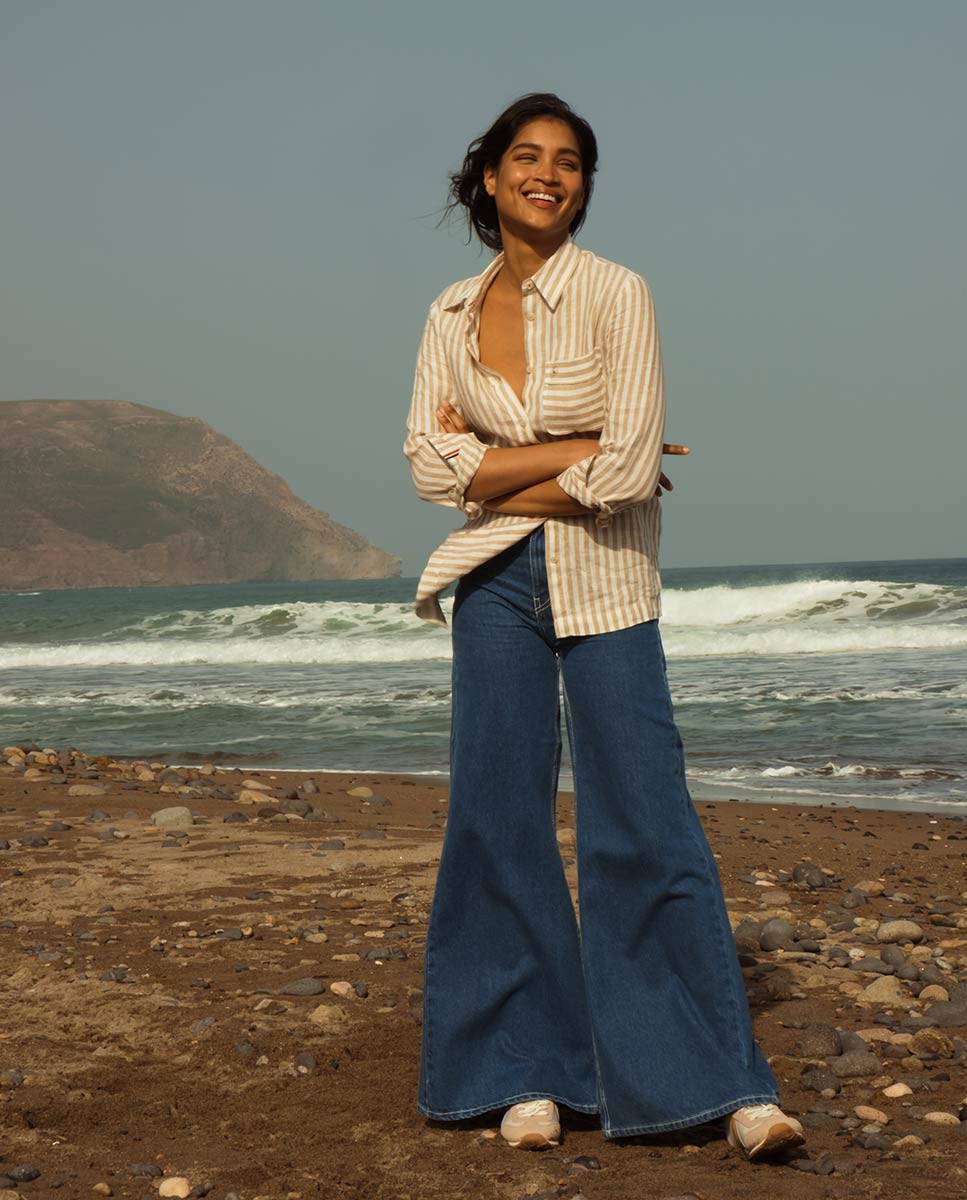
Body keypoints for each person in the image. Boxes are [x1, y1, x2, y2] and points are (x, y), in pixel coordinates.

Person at [402, 92, 805, 1162]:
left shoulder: (618, 293)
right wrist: (562, 452)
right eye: (526, 158)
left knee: (645, 820)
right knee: (498, 821)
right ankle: (524, 1071)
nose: (549, 173)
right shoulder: (446, 315)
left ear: (583, 184)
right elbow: (424, 468)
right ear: (486, 178)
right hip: (493, 587)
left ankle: (716, 1080)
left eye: (569, 161)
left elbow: (626, 470)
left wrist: (497, 475)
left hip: (607, 588)